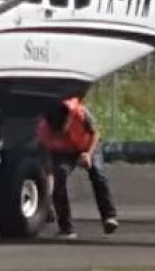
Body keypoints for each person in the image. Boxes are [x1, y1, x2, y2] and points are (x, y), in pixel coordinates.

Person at [37, 96, 118, 239]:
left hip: (87, 145)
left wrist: (88, 154)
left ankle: (109, 216)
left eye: (63, 127)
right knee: (59, 178)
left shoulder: (80, 112)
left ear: (69, 118)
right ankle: (66, 228)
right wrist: (48, 193)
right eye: (57, 131)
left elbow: (96, 133)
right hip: (63, 152)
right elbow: (47, 164)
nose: (61, 133)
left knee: (98, 174)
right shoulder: (43, 131)